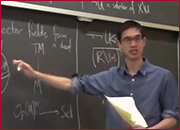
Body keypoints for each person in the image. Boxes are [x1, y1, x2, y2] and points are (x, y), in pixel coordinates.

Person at [13, 20, 179, 129]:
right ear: (119, 44)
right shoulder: (109, 77)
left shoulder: (163, 77)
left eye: (137, 38)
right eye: (128, 40)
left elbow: (172, 116)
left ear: (144, 41)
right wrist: (36, 74)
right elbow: (73, 84)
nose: (133, 44)